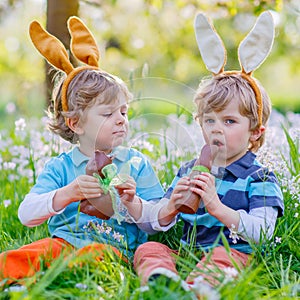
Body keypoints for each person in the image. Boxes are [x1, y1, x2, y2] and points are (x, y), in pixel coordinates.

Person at [126, 11, 284, 293]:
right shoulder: (189, 170)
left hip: (233, 255)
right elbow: (153, 224)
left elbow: (262, 232)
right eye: (209, 120)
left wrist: (216, 206)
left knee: (221, 257)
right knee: (150, 247)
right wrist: (169, 207)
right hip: (189, 256)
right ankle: (162, 283)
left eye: (229, 121)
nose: (216, 129)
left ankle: (195, 290)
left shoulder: (260, 177)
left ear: (255, 132)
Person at [0, 17, 164, 286]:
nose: (121, 119)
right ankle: (14, 281)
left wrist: (134, 203)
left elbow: (157, 222)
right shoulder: (61, 168)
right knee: (29, 254)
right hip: (63, 244)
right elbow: (26, 214)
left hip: (114, 250)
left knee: (94, 255)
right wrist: (68, 193)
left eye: (124, 111)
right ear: (75, 123)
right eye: (108, 113)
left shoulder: (135, 163)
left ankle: (59, 279)